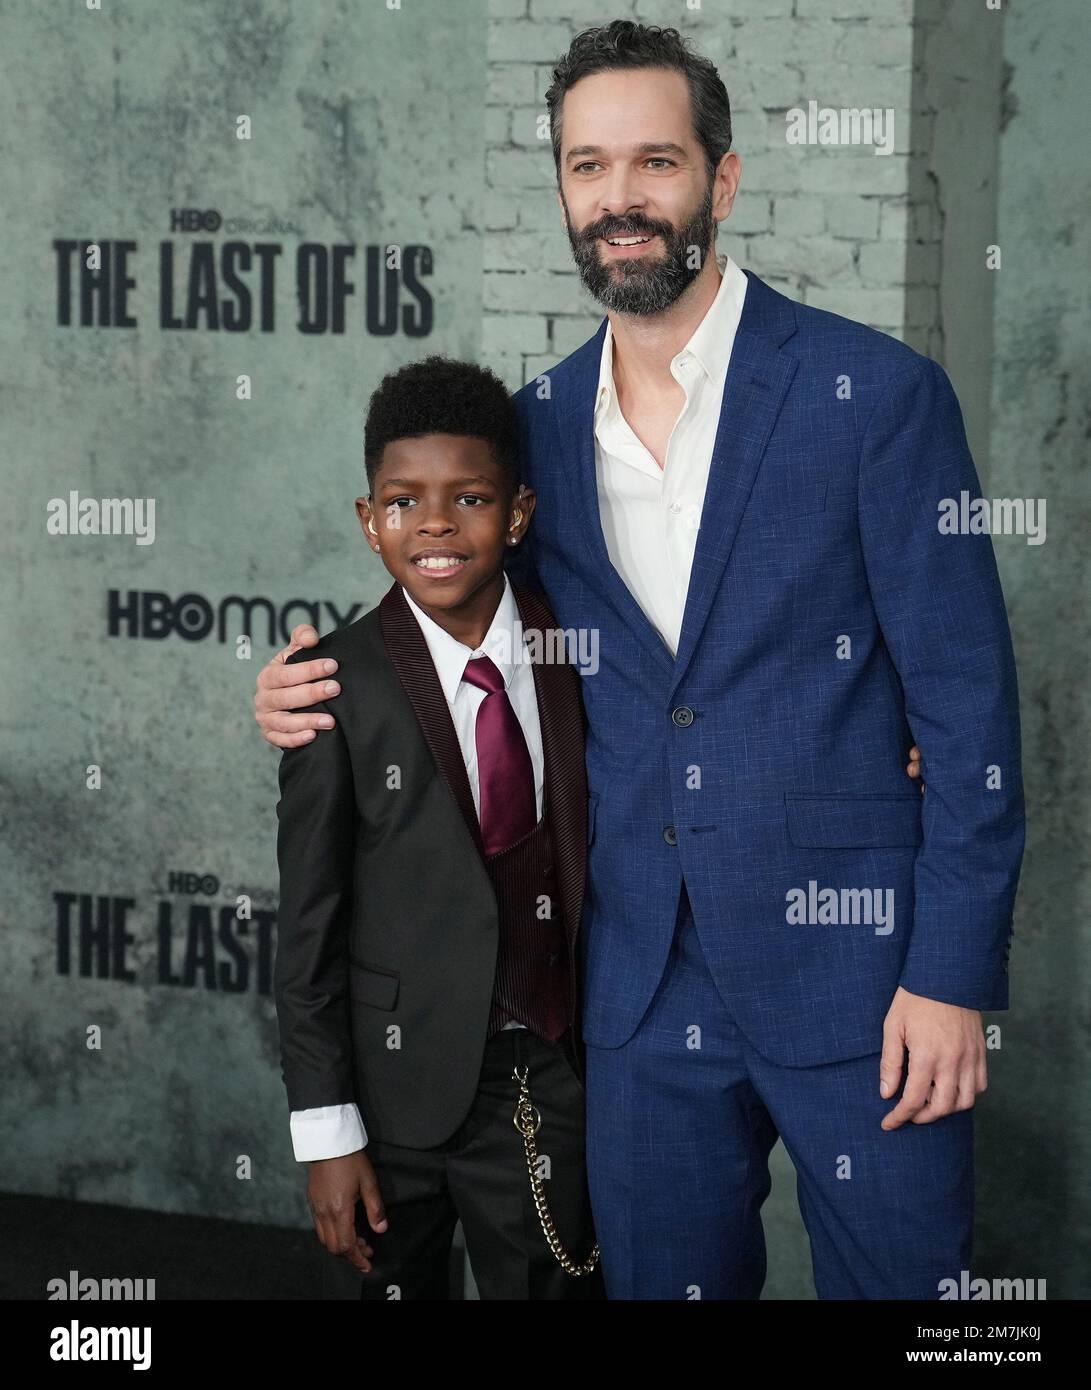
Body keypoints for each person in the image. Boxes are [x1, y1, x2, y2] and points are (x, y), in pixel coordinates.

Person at [260, 20, 1018, 1300]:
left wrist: (947, 977)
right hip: (635, 988)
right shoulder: (538, 426)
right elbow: (445, 573)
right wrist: (309, 683)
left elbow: (969, 714)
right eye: (586, 167)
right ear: (561, 188)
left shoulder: (873, 396)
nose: (620, 199)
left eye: (654, 162)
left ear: (718, 182)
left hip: (866, 985)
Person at [274, 356, 603, 1300]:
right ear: (367, 520)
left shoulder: (573, 650)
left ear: (519, 513)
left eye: (468, 498)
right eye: (401, 501)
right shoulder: (333, 688)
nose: (433, 524)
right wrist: (327, 1133)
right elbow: (308, 932)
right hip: (387, 1096)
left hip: (543, 1075)